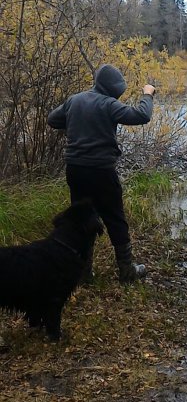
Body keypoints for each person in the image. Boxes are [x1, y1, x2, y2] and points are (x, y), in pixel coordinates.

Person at [48, 64, 156, 284]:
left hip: (75, 170)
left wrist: (75, 121)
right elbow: (142, 115)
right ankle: (127, 271)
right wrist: (147, 94)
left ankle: (84, 272)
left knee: (83, 219)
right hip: (101, 172)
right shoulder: (110, 105)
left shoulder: (75, 100)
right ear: (114, 89)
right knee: (115, 217)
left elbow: (52, 119)